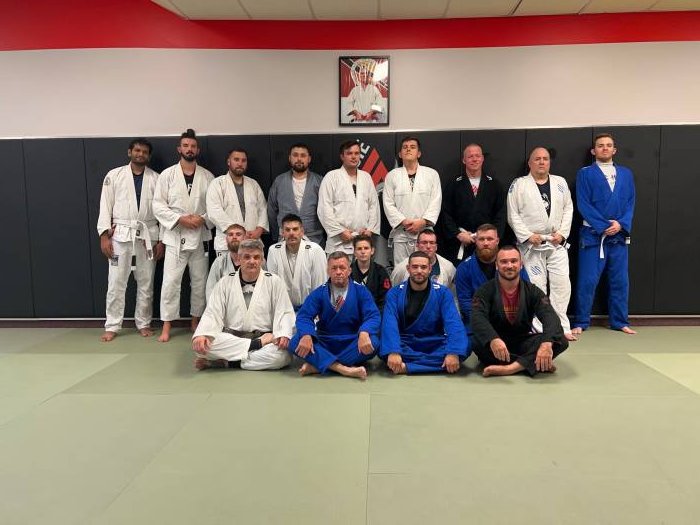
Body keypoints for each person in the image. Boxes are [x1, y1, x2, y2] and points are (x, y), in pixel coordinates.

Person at [97, 138, 164, 342]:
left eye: (144, 152)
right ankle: (112, 325)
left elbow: (162, 211)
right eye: (137, 150)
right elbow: (105, 206)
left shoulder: (156, 179)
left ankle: (143, 323)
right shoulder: (114, 176)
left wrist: (161, 240)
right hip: (120, 234)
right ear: (130, 152)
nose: (140, 154)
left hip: (148, 235)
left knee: (146, 282)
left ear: (148, 156)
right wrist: (104, 236)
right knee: (116, 281)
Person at [192, 239, 295, 371]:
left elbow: (285, 311)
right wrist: (202, 334)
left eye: (256, 257)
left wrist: (283, 334)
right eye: (247, 257)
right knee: (203, 346)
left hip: (265, 338)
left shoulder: (274, 281)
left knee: (282, 356)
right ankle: (254, 346)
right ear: (239, 259)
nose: (252, 261)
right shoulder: (225, 282)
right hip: (235, 338)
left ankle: (227, 363)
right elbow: (212, 312)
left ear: (262, 260)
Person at [507, 147, 576, 341]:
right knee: (536, 287)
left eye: (545, 158)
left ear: (549, 162)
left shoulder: (560, 182)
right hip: (532, 245)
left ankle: (561, 326)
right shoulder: (519, 184)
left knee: (562, 285)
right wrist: (528, 236)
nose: (542, 162)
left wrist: (562, 234)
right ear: (529, 163)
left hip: (555, 243)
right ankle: (540, 327)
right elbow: (512, 214)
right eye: (537, 159)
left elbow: (568, 208)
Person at [152, 129, 214, 342]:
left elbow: (214, 206)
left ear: (198, 150)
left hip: (199, 236)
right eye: (186, 146)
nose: (189, 149)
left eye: (193, 146)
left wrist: (202, 219)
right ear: (179, 149)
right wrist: (180, 219)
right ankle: (167, 324)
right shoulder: (167, 175)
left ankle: (196, 320)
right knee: (170, 282)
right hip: (175, 237)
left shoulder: (207, 176)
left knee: (199, 281)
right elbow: (158, 206)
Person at [573, 133, 637, 335]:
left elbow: (630, 202)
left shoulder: (626, 174)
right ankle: (581, 321)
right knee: (587, 280)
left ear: (614, 150)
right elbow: (583, 203)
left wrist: (621, 224)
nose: (605, 148)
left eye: (608, 145)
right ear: (594, 151)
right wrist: (603, 226)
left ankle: (620, 321)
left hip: (618, 236)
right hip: (593, 235)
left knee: (620, 281)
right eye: (600, 145)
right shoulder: (585, 173)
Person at [471, 246, 568, 377]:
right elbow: (477, 318)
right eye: (504, 262)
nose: (509, 265)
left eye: (514, 261)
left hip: (522, 341)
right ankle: (535, 363)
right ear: (496, 265)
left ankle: (511, 368)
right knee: (476, 342)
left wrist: (546, 344)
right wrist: (493, 339)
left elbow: (550, 316)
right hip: (496, 345)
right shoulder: (485, 291)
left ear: (521, 264)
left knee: (559, 339)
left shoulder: (532, 291)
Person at [289, 251, 380, 380]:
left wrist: (364, 332)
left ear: (349, 270)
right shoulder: (319, 292)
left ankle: (320, 365)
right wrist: (306, 334)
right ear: (328, 271)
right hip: (325, 341)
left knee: (374, 343)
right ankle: (343, 369)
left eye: (342, 268)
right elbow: (304, 316)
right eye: (334, 268)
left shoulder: (361, 291)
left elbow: (373, 316)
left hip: (351, 340)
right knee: (295, 342)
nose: (338, 272)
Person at [380, 251, 468, 374]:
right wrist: (394, 351)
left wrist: (453, 351)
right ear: (408, 269)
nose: (419, 271)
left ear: (430, 269)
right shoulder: (394, 293)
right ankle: (436, 365)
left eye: (423, 267)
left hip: (434, 342)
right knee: (383, 349)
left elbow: (453, 322)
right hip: (406, 343)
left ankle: (406, 367)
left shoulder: (443, 293)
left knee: (464, 349)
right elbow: (390, 324)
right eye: (415, 267)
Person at [455, 223, 528, 335]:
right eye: (481, 239)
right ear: (476, 241)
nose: (485, 243)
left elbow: (526, 293)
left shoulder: (512, 265)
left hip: (512, 322)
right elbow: (465, 303)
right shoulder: (464, 268)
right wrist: (486, 324)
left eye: (490, 239)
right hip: (478, 325)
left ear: (497, 241)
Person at [439, 143, 507, 265]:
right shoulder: (453, 184)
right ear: (464, 160)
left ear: (482, 159)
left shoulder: (494, 185)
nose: (474, 159)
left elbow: (501, 215)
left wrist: (491, 237)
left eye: (477, 156)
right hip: (460, 242)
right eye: (470, 156)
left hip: (487, 244)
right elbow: (445, 214)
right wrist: (457, 234)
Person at [382, 136, 442, 265]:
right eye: (405, 147)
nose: (408, 149)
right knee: (401, 270)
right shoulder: (392, 175)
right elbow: (388, 203)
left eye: (412, 147)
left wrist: (423, 221)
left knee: (424, 268)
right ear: (400, 154)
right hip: (401, 233)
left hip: (425, 233)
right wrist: (403, 221)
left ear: (419, 153)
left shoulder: (431, 174)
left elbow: (435, 201)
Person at [317, 140, 381, 255]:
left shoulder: (366, 177)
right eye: (349, 153)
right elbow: (324, 208)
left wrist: (370, 230)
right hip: (339, 241)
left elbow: (373, 206)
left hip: (362, 241)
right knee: (338, 267)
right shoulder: (331, 177)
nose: (353, 157)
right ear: (342, 156)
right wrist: (339, 231)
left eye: (356, 153)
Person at [206, 147, 268, 255]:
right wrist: (238, 232)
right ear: (228, 162)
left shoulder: (253, 184)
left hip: (252, 239)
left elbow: (262, 208)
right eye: (236, 159)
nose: (240, 163)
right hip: (228, 242)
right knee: (227, 266)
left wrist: (259, 230)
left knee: (254, 265)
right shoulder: (217, 183)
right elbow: (214, 211)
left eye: (243, 160)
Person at [266, 214, 327, 311]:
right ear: (282, 233)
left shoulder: (315, 250)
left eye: (295, 229)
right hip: (282, 308)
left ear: (302, 232)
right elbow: (272, 284)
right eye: (287, 230)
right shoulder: (273, 251)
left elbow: (320, 283)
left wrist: (315, 310)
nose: (291, 233)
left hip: (310, 309)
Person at [267, 143, 324, 246]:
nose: (299, 159)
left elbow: (325, 209)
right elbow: (271, 210)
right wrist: (276, 234)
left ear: (309, 159)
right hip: (286, 238)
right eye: (295, 155)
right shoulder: (279, 181)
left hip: (314, 237)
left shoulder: (319, 181)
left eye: (303, 155)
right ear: (290, 158)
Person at [391, 229, 455, 288]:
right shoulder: (402, 268)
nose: (428, 246)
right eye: (424, 242)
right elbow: (395, 289)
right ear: (417, 245)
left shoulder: (448, 267)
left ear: (436, 247)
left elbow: (452, 292)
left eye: (432, 243)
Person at [350, 234, 391, 311]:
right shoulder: (348, 272)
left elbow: (386, 298)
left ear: (372, 251)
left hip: (376, 312)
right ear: (354, 252)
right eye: (359, 249)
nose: (363, 252)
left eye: (366, 248)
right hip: (353, 312)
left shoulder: (381, 271)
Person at [205, 223, 245, 301]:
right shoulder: (219, 262)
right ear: (226, 240)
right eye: (230, 235)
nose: (234, 237)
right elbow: (210, 290)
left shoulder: (256, 260)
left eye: (238, 234)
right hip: (225, 305)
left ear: (244, 238)